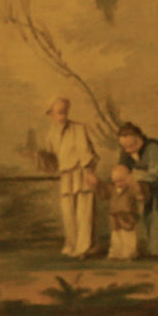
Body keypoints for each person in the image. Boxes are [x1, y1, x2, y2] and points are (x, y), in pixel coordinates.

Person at [42, 98, 98, 258]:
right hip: (65, 176)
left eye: (65, 112)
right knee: (68, 213)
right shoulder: (50, 134)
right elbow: (52, 159)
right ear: (50, 114)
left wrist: (90, 173)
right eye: (59, 112)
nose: (63, 116)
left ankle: (83, 248)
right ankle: (72, 245)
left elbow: (85, 152)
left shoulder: (78, 129)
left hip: (82, 172)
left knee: (84, 212)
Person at [116, 123, 158, 256]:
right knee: (149, 213)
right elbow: (121, 171)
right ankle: (154, 249)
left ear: (139, 138)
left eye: (131, 146)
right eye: (125, 147)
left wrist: (132, 176)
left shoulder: (152, 148)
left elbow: (154, 173)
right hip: (146, 185)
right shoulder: (125, 153)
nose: (128, 150)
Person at [103, 161, 143, 260]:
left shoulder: (131, 190)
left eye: (121, 181)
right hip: (115, 216)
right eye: (116, 182)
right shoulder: (113, 190)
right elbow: (104, 193)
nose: (118, 184)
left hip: (127, 216)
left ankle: (129, 253)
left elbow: (140, 196)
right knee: (116, 235)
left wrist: (135, 185)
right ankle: (116, 253)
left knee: (128, 235)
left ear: (128, 179)